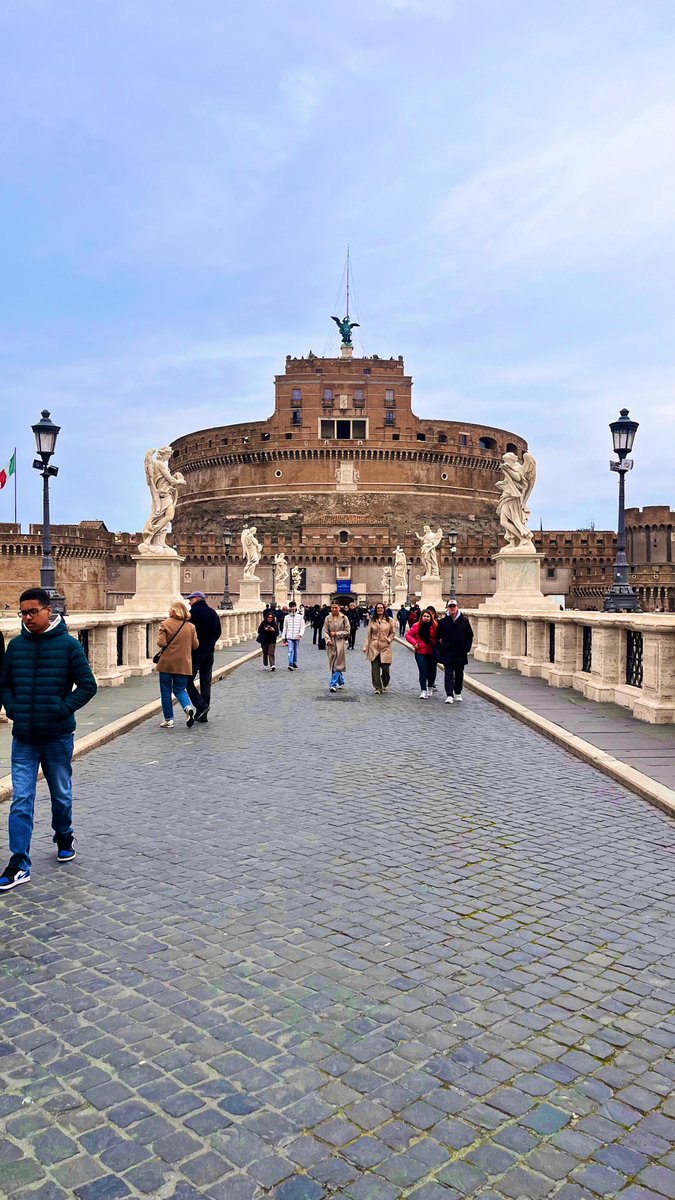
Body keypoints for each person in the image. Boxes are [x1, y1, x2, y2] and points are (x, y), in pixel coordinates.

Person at [0, 587, 97, 891]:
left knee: (61, 793)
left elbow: (87, 685)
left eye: (32, 612)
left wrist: (61, 708)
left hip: (57, 735)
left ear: (48, 610)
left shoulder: (69, 646)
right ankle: (18, 863)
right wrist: (13, 707)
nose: (27, 618)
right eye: (23, 613)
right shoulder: (15, 647)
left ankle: (64, 834)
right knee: (22, 799)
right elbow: (5, 684)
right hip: (24, 737)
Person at [156, 600, 199, 728]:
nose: (169, 611)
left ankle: (169, 719)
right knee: (180, 689)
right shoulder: (191, 627)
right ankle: (187, 707)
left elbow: (161, 643)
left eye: (170, 609)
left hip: (167, 663)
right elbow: (195, 645)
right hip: (183, 664)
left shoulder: (165, 624)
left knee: (166, 691)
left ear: (174, 611)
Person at [185, 591, 221, 723]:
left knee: (187, 681)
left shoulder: (192, 614)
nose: (189, 601)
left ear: (198, 599)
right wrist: (210, 643)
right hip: (209, 652)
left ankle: (201, 706)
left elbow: (187, 632)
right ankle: (203, 714)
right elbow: (218, 632)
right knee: (206, 682)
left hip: (195, 652)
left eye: (191, 599)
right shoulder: (213, 613)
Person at [435, 600, 474, 704]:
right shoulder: (443, 622)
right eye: (450, 606)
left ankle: (457, 693)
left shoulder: (464, 621)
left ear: (457, 607)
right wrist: (440, 648)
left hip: (460, 652)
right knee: (448, 674)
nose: (452, 608)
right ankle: (449, 694)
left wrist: (467, 648)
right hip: (447, 652)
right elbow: (437, 636)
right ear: (447, 608)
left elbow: (469, 636)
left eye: (454, 606)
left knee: (459, 674)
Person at [363, 602, 396, 695]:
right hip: (374, 646)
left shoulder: (390, 620)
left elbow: (393, 633)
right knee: (375, 668)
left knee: (385, 668)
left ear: (384, 609)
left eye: (381, 608)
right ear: (376, 610)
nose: (380, 609)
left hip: (385, 646)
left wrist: (389, 640)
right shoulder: (372, 621)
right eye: (378, 608)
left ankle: (385, 682)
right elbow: (368, 634)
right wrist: (366, 646)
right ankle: (377, 687)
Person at [405, 608, 438, 699]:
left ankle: (430, 686)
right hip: (420, 652)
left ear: (431, 617)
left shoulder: (435, 626)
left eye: (428, 616)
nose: (426, 618)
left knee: (432, 671)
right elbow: (408, 635)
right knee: (423, 671)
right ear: (421, 617)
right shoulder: (416, 626)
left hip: (432, 652)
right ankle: (423, 690)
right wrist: (415, 643)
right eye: (424, 616)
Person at [323, 601, 350, 692]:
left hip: (341, 643)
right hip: (331, 644)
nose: (334, 609)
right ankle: (341, 680)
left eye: (336, 607)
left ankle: (332, 684)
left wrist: (337, 634)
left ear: (339, 607)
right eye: (332, 607)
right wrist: (328, 640)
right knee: (333, 663)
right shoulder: (327, 618)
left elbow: (347, 631)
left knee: (338, 664)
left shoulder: (344, 618)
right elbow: (325, 631)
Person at [282, 601, 304, 670]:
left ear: (295, 607)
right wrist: (283, 637)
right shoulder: (286, 617)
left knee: (296, 650)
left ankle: (294, 662)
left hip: (297, 637)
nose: (292, 608)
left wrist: (300, 634)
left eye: (293, 606)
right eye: (291, 607)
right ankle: (290, 663)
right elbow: (285, 627)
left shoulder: (300, 617)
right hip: (289, 636)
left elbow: (302, 626)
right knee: (290, 650)